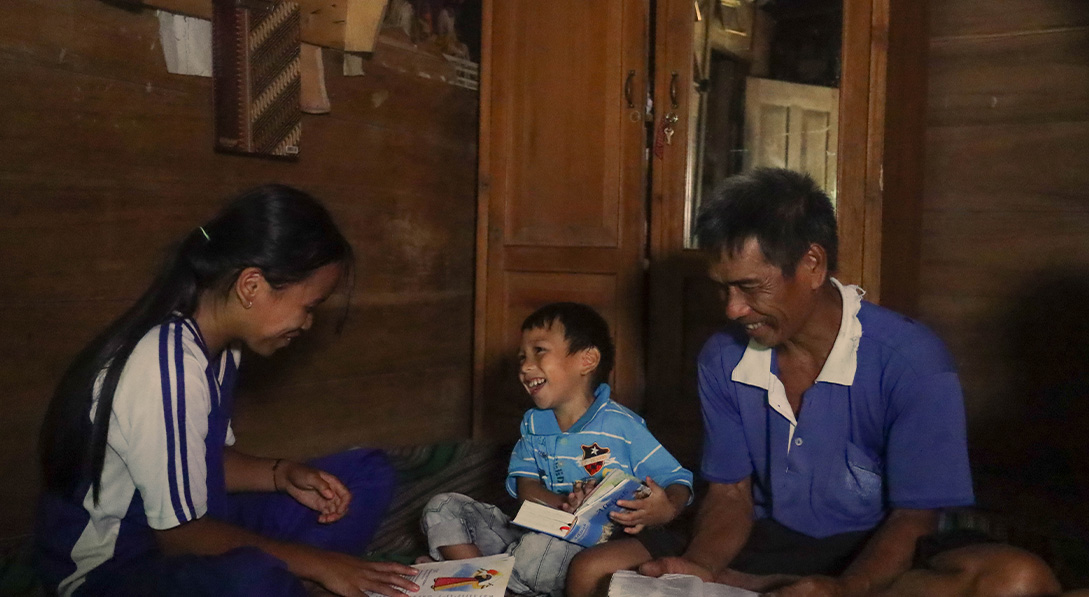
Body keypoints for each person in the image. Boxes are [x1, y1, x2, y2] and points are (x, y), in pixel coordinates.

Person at [637, 167, 1049, 597]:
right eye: (723, 289)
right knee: (604, 568)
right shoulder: (722, 357)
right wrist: (698, 569)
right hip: (771, 539)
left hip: (883, 548)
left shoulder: (912, 362)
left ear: (812, 264)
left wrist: (848, 588)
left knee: (1015, 579)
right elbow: (729, 493)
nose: (733, 310)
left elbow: (915, 516)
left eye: (749, 287)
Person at [36, 185, 420, 597]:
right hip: (121, 567)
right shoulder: (162, 367)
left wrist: (280, 474)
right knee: (251, 580)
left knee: (366, 474)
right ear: (251, 287)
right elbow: (181, 536)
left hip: (190, 528)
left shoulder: (219, 347)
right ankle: (301, 582)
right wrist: (320, 564)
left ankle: (299, 583)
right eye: (308, 306)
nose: (307, 323)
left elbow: (200, 460)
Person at [420, 302, 694, 597]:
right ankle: (486, 581)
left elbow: (678, 479)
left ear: (586, 360)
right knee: (441, 507)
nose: (525, 366)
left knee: (537, 553)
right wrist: (564, 506)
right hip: (533, 534)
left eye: (539, 351)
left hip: (589, 547)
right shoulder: (534, 425)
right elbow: (526, 484)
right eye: (522, 357)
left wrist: (664, 509)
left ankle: (475, 579)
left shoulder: (621, 425)